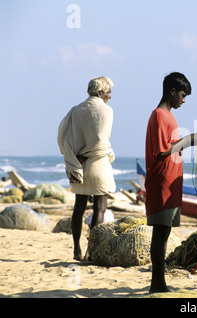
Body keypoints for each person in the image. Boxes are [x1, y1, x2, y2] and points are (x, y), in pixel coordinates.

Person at [145, 72, 197, 293]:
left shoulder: (167, 115)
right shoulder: (160, 115)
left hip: (170, 181)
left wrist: (187, 140)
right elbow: (163, 151)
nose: (183, 99)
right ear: (171, 92)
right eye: (182, 95)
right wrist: (189, 140)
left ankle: (158, 282)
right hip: (162, 182)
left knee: (164, 232)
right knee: (160, 233)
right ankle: (157, 284)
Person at [57, 76, 116, 261]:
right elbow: (102, 140)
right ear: (100, 93)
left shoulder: (75, 111)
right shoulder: (106, 111)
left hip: (80, 165)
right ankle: (91, 251)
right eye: (108, 93)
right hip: (99, 163)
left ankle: (76, 250)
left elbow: (61, 136)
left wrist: (73, 158)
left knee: (79, 207)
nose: (110, 96)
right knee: (100, 207)